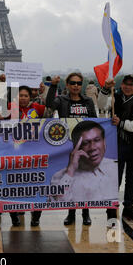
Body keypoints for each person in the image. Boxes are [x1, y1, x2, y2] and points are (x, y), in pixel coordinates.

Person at [46, 72, 97, 226]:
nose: (76, 86)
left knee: (85, 179)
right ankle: (71, 212)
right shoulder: (61, 100)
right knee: (72, 179)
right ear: (67, 85)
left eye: (79, 83)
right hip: (68, 145)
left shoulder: (87, 101)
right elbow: (49, 104)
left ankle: (86, 212)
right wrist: (53, 86)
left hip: (85, 145)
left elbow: (94, 119)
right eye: (73, 83)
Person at [99, 74, 133, 224]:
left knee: (132, 180)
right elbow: (102, 105)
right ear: (121, 85)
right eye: (125, 84)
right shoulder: (115, 98)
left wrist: (122, 123)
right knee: (115, 180)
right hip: (117, 145)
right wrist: (106, 89)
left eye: (131, 84)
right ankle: (111, 209)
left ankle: (128, 208)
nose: (127, 87)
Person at [2, 85, 46, 227]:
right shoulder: (10, 107)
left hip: (34, 155)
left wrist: (50, 88)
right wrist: (4, 84)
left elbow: (50, 106)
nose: (23, 98)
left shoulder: (37, 108)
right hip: (14, 155)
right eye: (20, 95)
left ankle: (36, 216)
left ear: (30, 97)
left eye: (26, 95)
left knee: (37, 187)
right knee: (13, 187)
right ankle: (14, 216)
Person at [50, 121, 118, 202]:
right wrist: (70, 171)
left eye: (97, 140)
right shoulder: (59, 177)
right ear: (76, 148)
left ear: (104, 142)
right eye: (85, 143)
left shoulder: (114, 167)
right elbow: (58, 203)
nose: (92, 147)